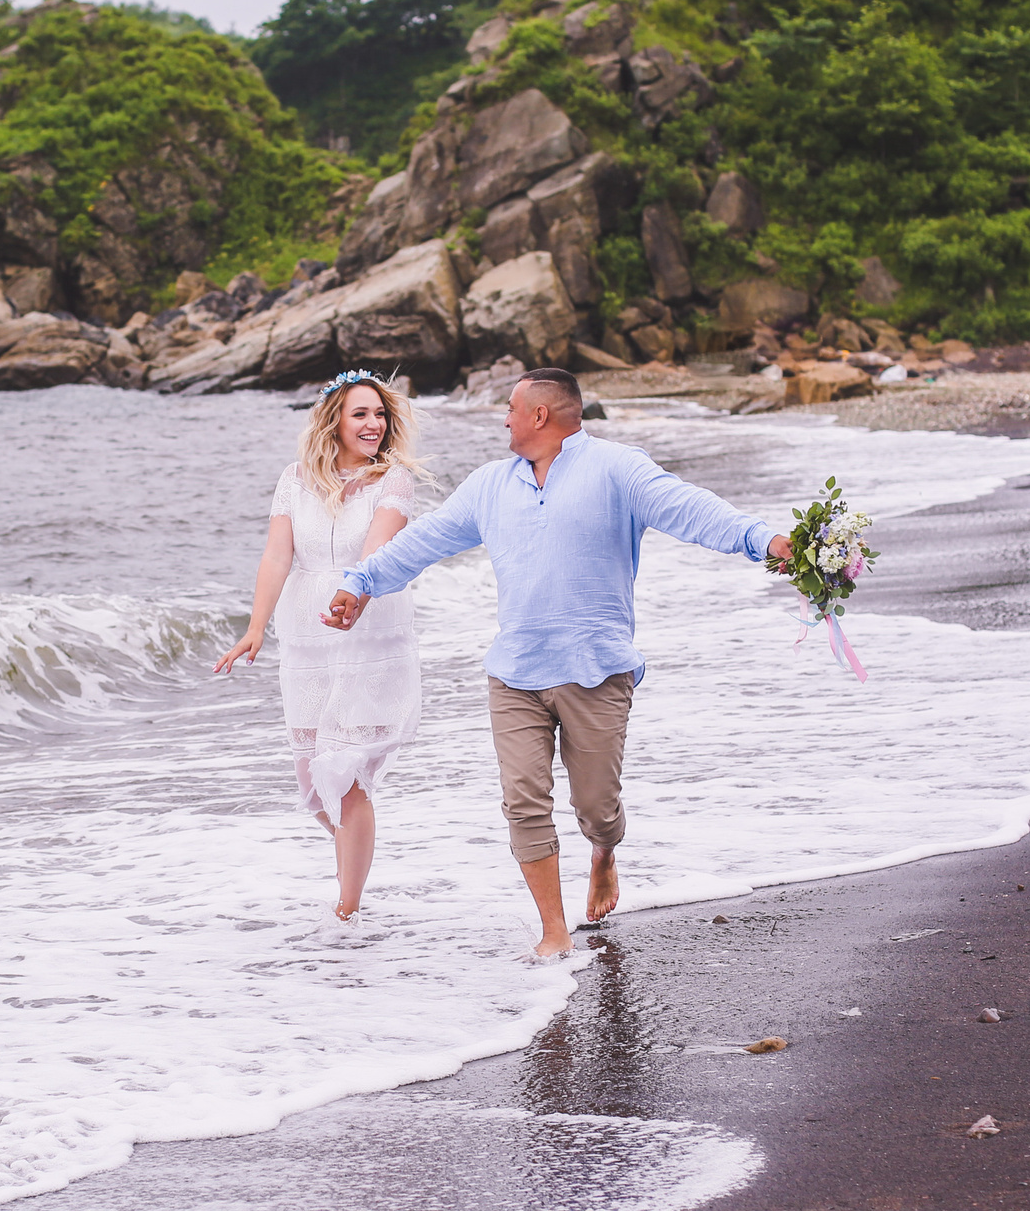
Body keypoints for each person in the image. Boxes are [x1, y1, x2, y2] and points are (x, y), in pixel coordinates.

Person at [325, 367, 793, 958]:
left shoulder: (618, 469)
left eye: (512, 409)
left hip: (597, 669)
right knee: (523, 801)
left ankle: (604, 852)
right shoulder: (491, 484)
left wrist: (766, 541)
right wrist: (361, 582)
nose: (504, 419)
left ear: (540, 416)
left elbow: (692, 509)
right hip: (515, 672)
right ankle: (554, 929)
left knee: (597, 806)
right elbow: (425, 541)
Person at [215, 370, 425, 921]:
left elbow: (376, 551)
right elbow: (277, 556)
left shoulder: (394, 481)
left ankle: (347, 909)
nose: (374, 424)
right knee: (312, 778)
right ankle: (353, 859)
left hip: (367, 632)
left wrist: (350, 594)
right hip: (305, 641)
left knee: (346, 773)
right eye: (360, 414)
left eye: (379, 414)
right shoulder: (295, 479)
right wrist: (255, 627)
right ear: (334, 420)